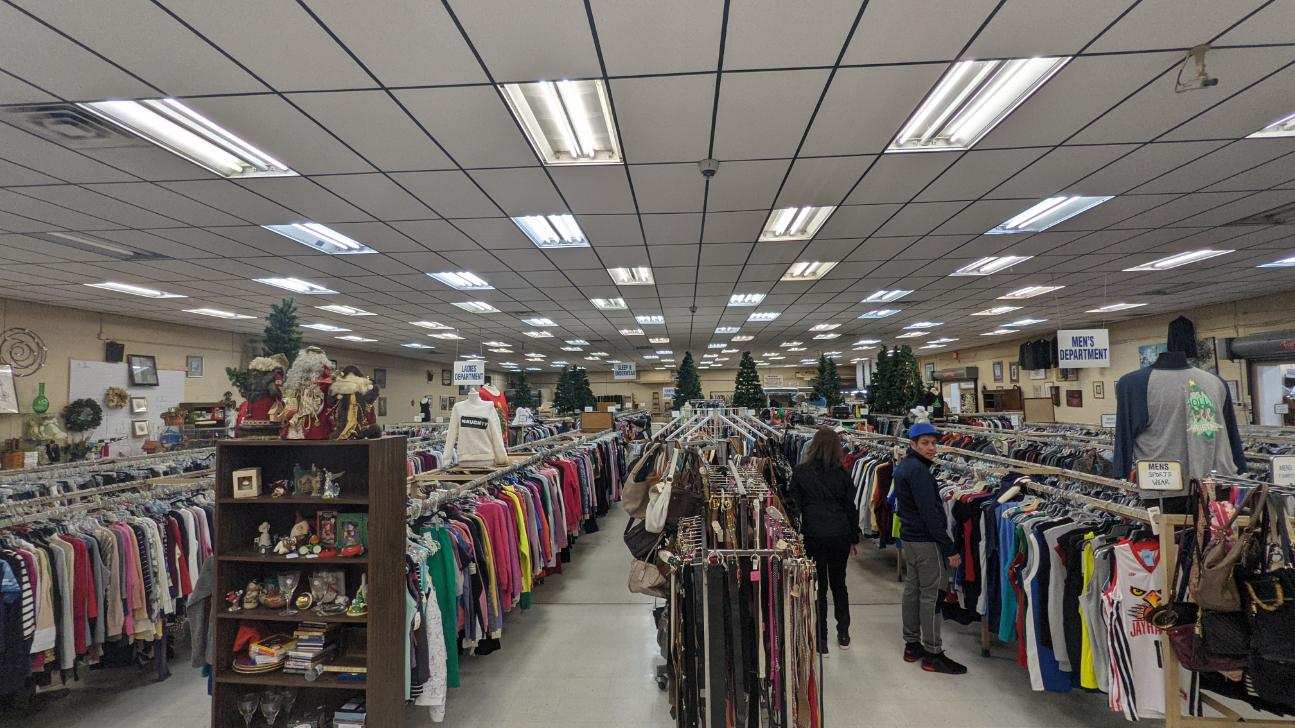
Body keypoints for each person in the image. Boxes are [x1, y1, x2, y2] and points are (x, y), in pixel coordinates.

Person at [893, 422, 967, 674]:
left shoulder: (905, 467)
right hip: (926, 542)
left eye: (934, 443)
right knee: (933, 595)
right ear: (912, 444)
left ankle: (912, 644)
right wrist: (949, 548)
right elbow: (931, 515)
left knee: (912, 591)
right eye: (925, 443)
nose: (931, 448)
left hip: (910, 540)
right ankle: (933, 652)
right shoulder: (919, 473)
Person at [787, 427, 861, 653]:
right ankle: (844, 633)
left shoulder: (800, 472)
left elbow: (793, 505)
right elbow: (851, 507)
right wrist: (854, 537)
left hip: (814, 535)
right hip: (839, 534)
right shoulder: (842, 473)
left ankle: (821, 639)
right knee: (839, 583)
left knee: (818, 587)